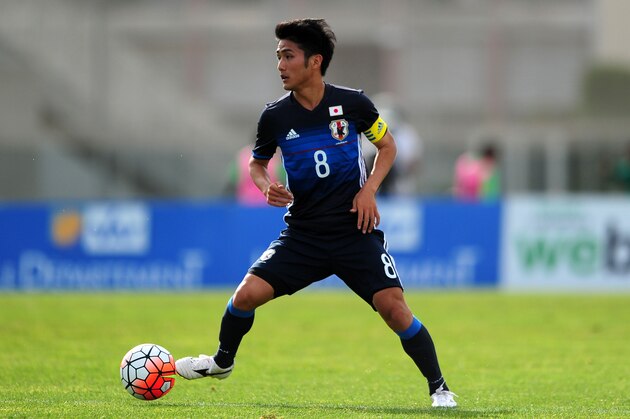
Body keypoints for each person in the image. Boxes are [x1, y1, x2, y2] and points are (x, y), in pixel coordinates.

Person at [175, 18, 457, 408]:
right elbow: (257, 164)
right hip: (303, 235)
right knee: (244, 296)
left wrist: (369, 191)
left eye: (288, 56)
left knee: (394, 308)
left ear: (314, 61)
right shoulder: (274, 116)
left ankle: (439, 388)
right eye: (278, 56)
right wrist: (265, 185)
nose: (280, 65)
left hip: (353, 231)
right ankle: (223, 361)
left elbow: (388, 147)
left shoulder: (354, 104)